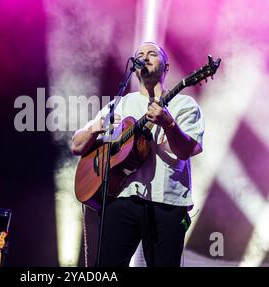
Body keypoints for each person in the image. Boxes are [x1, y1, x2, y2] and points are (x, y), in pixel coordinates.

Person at [71, 42, 204, 267]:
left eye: (152, 54)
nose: (145, 57)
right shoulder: (120, 104)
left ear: (166, 66)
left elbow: (187, 150)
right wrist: (99, 126)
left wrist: (169, 123)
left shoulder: (184, 104)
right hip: (121, 197)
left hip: (167, 203)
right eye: (140, 55)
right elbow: (76, 146)